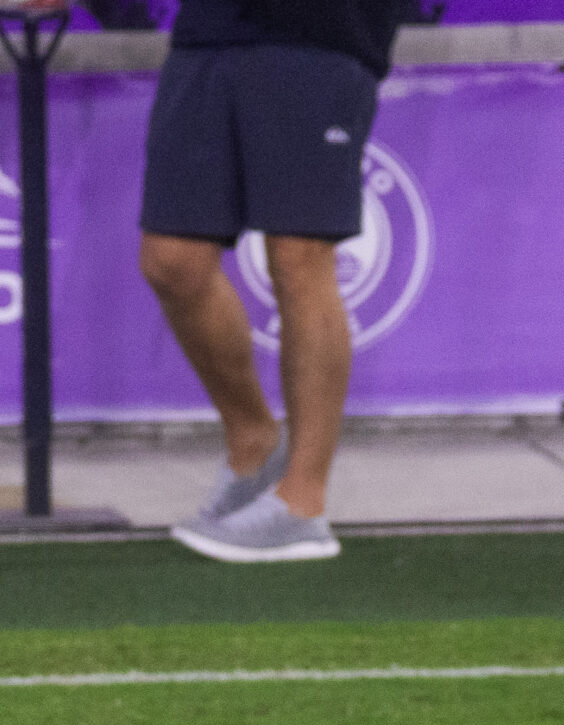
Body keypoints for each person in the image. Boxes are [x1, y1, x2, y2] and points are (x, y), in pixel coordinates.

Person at [135, 0, 407, 563]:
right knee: (172, 261)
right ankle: (254, 441)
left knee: (300, 255)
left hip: (324, 34)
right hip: (209, 33)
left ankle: (302, 502)